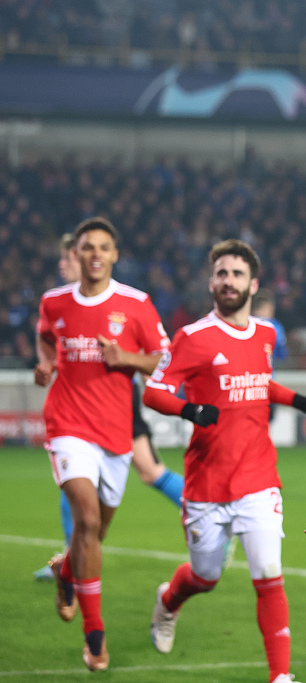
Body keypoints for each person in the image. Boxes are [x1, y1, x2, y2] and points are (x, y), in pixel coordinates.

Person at [143, 239, 306, 683]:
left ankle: (280, 677)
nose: (228, 281)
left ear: (253, 283)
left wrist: (302, 400)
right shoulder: (193, 337)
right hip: (207, 483)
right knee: (205, 576)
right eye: (222, 274)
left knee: (268, 573)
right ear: (212, 282)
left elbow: (261, 383)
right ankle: (169, 602)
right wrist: (189, 410)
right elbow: (153, 391)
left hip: (258, 478)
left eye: (237, 274)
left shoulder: (265, 333)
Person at [35, 218, 171, 671]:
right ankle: (95, 638)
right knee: (87, 521)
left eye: (104, 247)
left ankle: (66, 572)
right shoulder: (54, 301)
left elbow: (164, 362)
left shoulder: (135, 304)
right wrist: (46, 363)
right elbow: (45, 336)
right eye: (87, 247)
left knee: (97, 533)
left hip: (115, 433)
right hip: (67, 425)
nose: (95, 254)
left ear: (114, 255)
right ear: (76, 253)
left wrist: (125, 357)